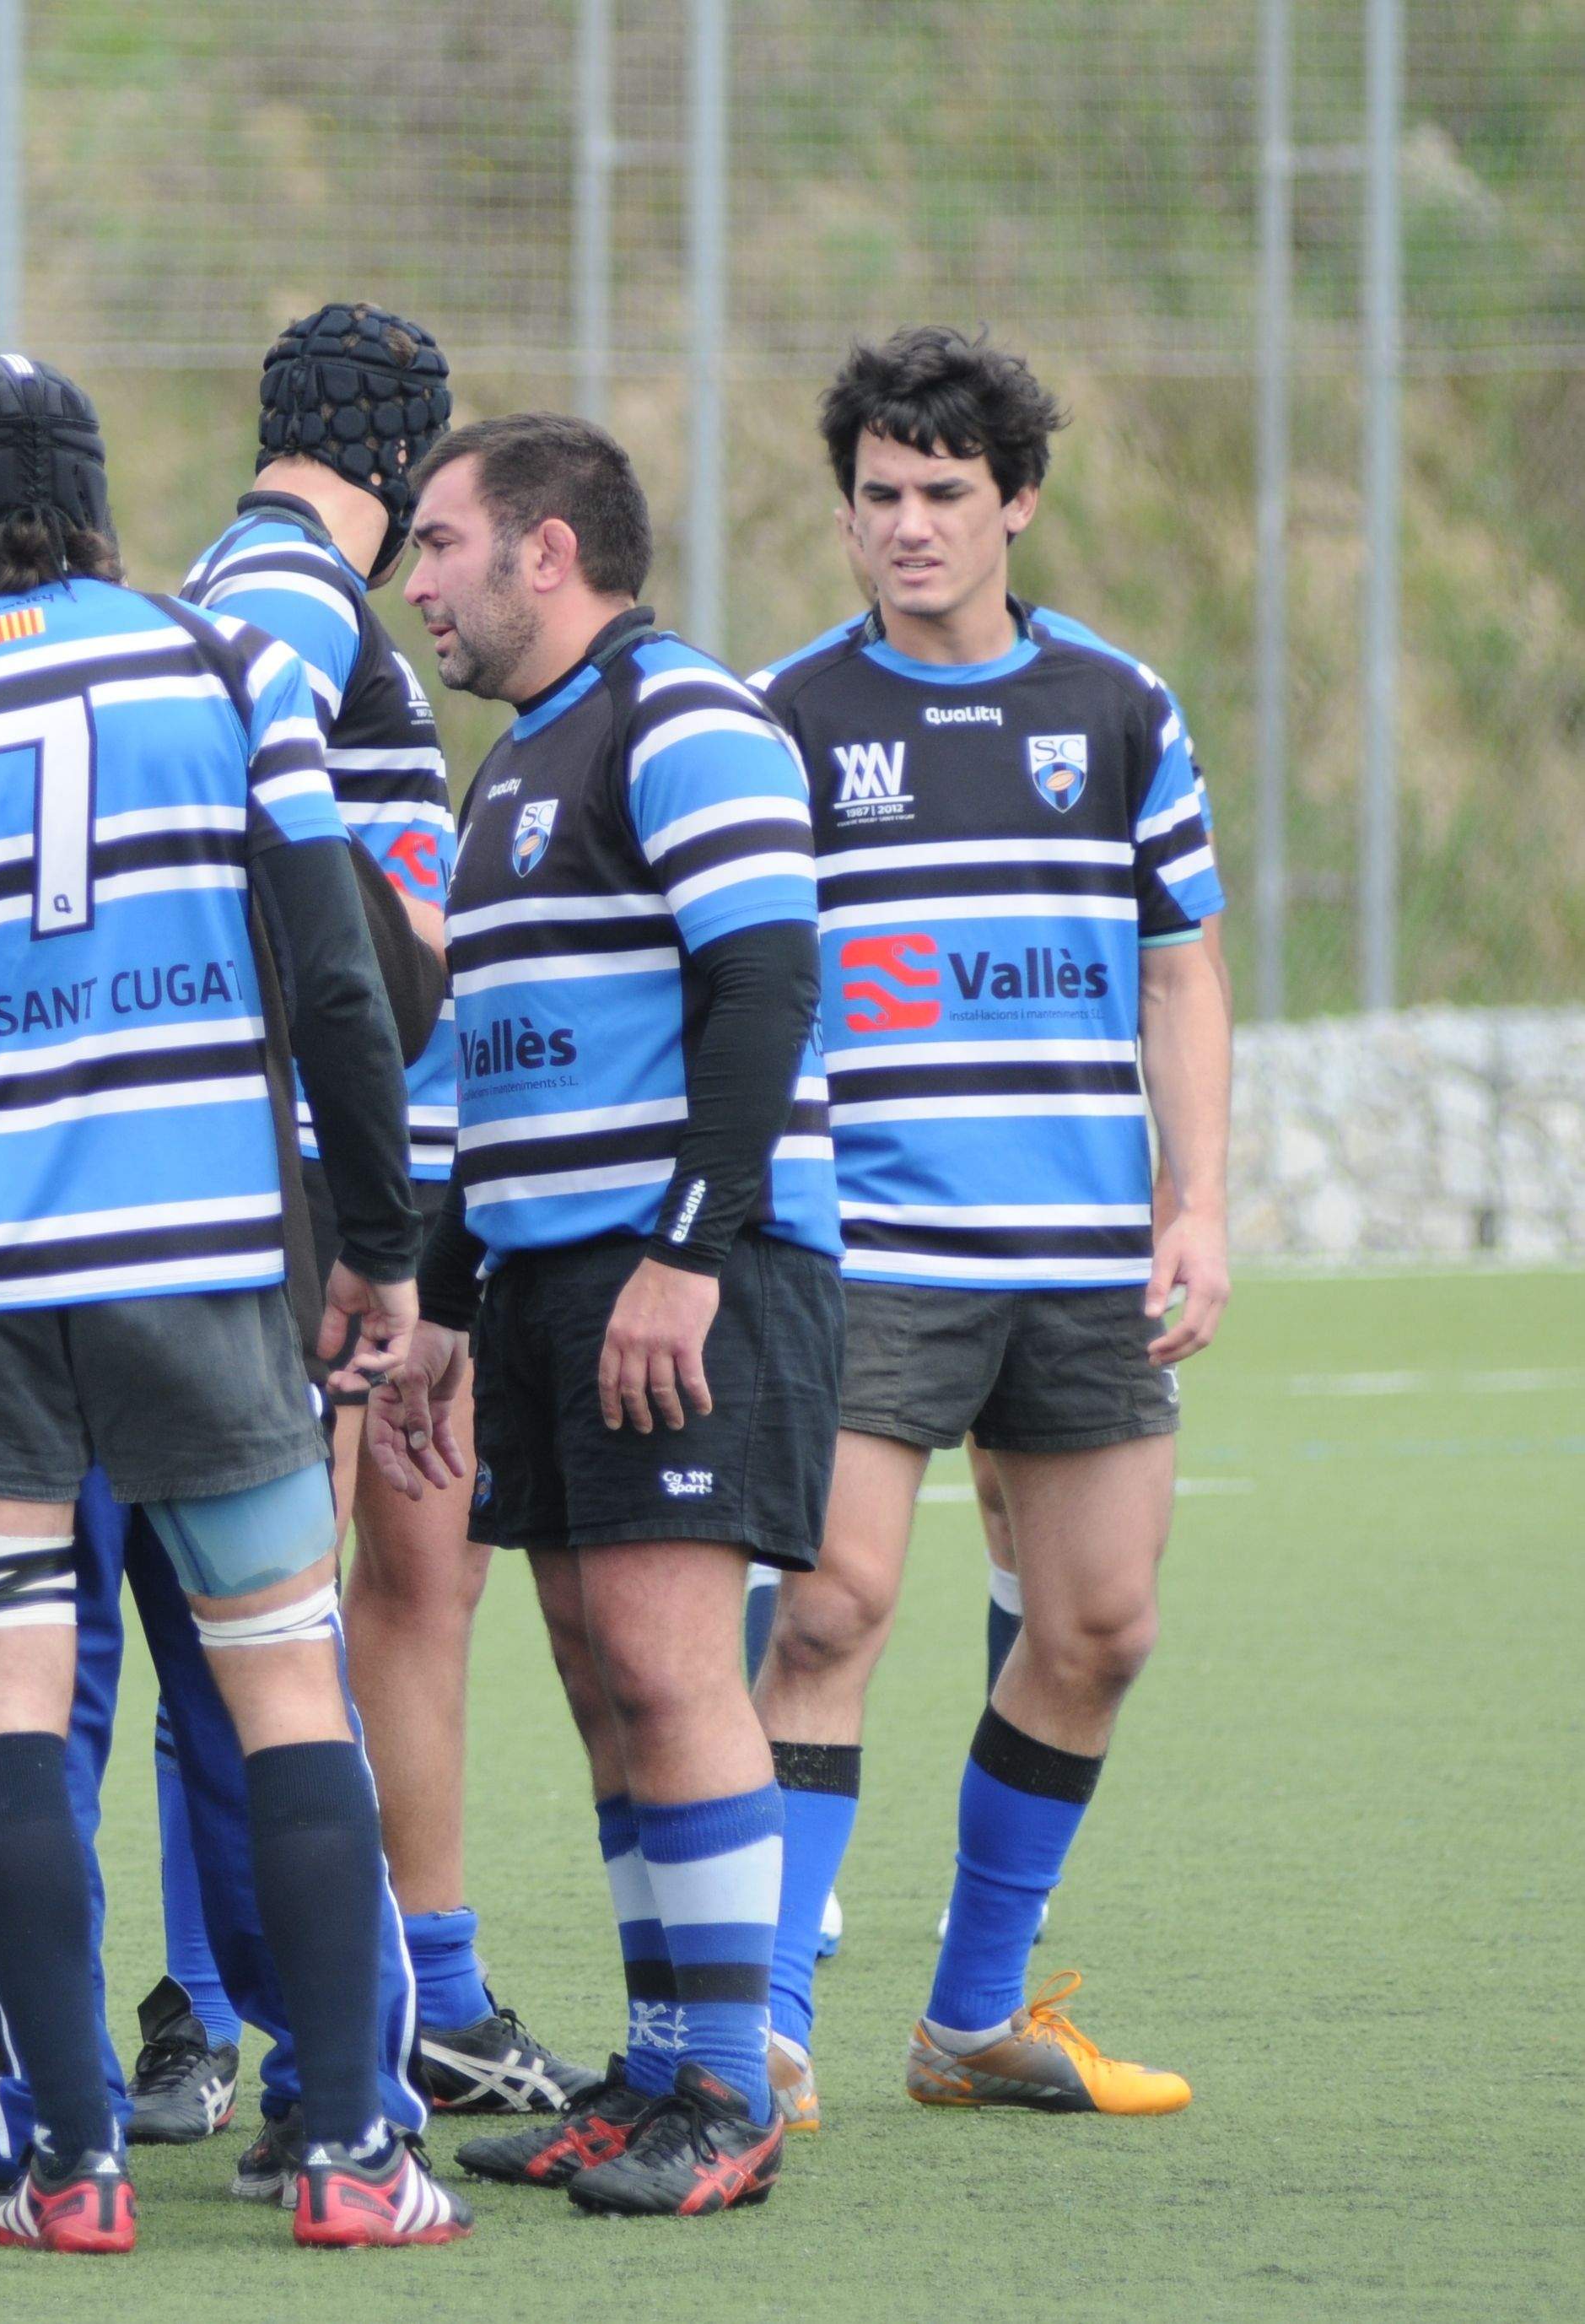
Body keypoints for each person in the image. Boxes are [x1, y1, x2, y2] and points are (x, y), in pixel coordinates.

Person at [0, 353, 462, 2253]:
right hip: (207, 1260)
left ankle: (63, 2164)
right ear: (90, 502)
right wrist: (384, 1243)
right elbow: (335, 975)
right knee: (274, 1677)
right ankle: (348, 2154)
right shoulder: (227, 670)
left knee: (1, 1703)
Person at [745, 326, 1223, 2127]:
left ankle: (963, 2022)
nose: (908, 526)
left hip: (1083, 1255)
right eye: (878, 496)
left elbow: (1181, 968)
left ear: (1017, 499)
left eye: (945, 493)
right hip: (864, 1247)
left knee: (1098, 1626)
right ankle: (763, 2021)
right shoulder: (784, 717)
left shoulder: (1117, 708)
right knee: (831, 1609)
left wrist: (1196, 1204)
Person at [398, 412, 837, 2219]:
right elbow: (493, 1071)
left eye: (438, 543)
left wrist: (684, 1245)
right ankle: (655, 2068)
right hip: (544, 1276)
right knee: (598, 1674)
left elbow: (763, 984)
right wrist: (439, 1301)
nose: (414, 581)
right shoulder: (512, 763)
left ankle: (727, 2091)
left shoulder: (687, 716)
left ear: (546, 550)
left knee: (669, 1663)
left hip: (687, 1269)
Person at [169, 303, 590, 2154]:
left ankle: (400, 1998)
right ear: (405, 457)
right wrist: (375, 1213)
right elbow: (288, 921)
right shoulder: (281, 602)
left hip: (355, 1184)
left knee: (359, 1604)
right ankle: (315, 2041)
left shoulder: (246, 585)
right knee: (279, 1623)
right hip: (328, 1203)